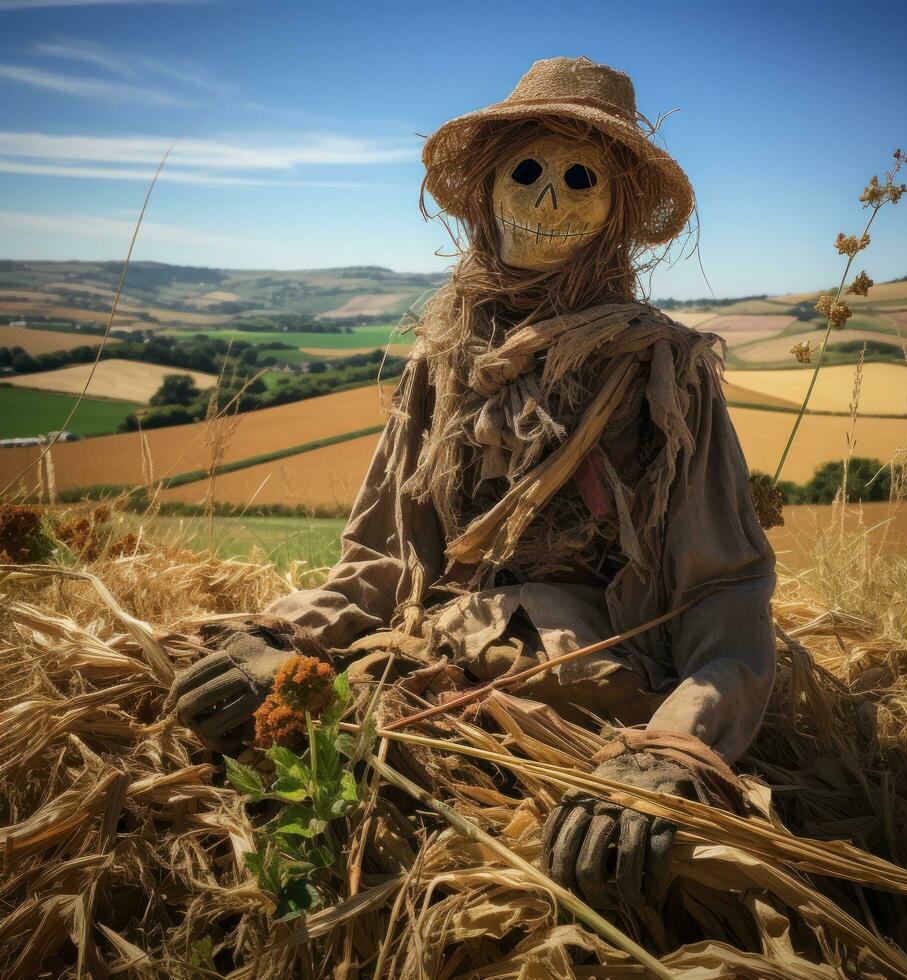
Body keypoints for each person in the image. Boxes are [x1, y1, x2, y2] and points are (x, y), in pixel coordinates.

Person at [169, 56, 776, 910]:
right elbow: (383, 554)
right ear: (488, 190)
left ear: (621, 210)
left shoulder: (664, 375)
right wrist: (289, 635)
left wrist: (673, 747)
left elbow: (726, 588)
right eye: (527, 172)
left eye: (580, 179)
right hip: (427, 657)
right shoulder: (442, 360)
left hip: (593, 688)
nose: (549, 201)